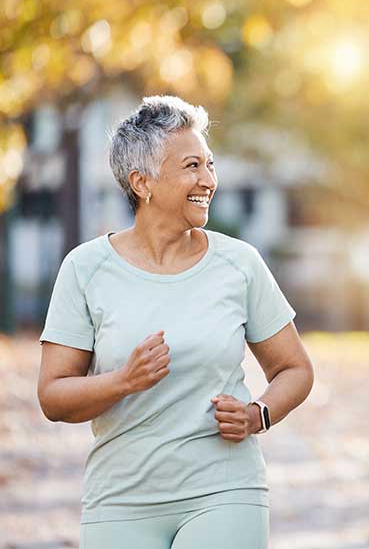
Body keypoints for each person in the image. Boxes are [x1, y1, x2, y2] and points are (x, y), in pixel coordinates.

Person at [37, 95, 314, 549]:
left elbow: (295, 369)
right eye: (191, 167)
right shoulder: (84, 268)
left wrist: (256, 415)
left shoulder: (238, 263)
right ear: (142, 182)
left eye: (209, 165)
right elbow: (53, 396)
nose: (208, 180)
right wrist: (123, 381)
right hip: (119, 499)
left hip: (225, 490)